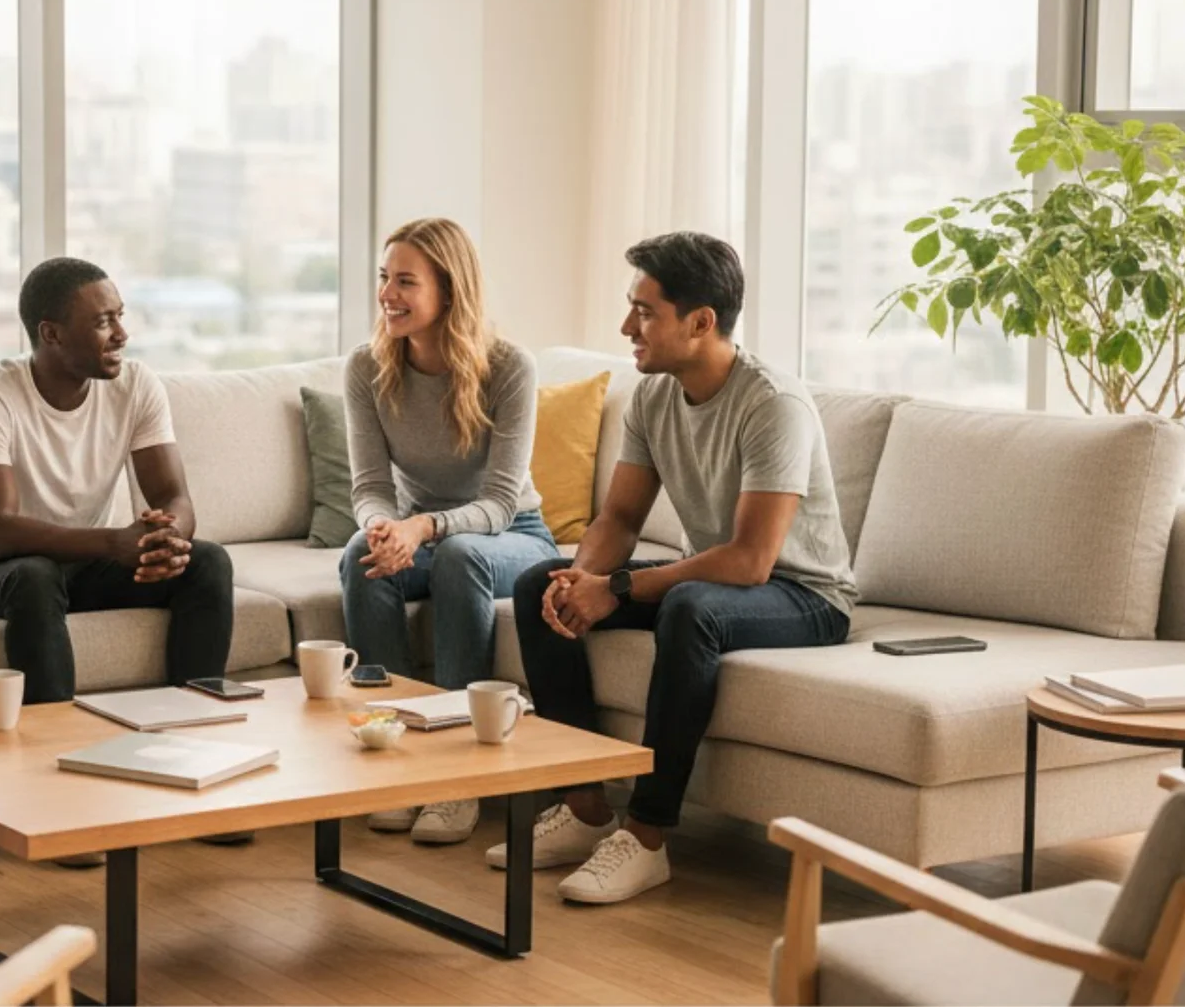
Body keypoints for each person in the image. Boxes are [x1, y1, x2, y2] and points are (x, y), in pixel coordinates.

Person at [486, 232, 856, 904]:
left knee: (691, 608)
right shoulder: (654, 397)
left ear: (701, 322)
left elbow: (750, 560)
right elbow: (620, 521)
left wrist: (617, 588)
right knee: (538, 582)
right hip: (718, 578)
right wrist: (579, 582)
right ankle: (585, 806)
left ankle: (647, 836)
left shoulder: (773, 404)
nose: (627, 327)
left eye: (645, 312)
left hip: (803, 595)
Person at [341, 217, 558, 846]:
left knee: (462, 554)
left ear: (449, 291)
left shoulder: (510, 367)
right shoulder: (367, 368)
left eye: (406, 281)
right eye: (385, 278)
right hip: (419, 531)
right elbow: (370, 487)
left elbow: (496, 502)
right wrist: (383, 528)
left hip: (513, 533)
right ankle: (393, 759)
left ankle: (459, 776)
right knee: (360, 553)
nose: (388, 294)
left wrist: (423, 526)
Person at [0, 255, 235, 707]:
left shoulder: (136, 385)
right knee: (35, 574)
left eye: (120, 316)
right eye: (103, 322)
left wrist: (166, 539)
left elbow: (173, 496)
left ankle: (192, 720)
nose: (122, 334)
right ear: (51, 333)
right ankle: (52, 739)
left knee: (207, 561)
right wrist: (113, 543)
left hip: (86, 570)